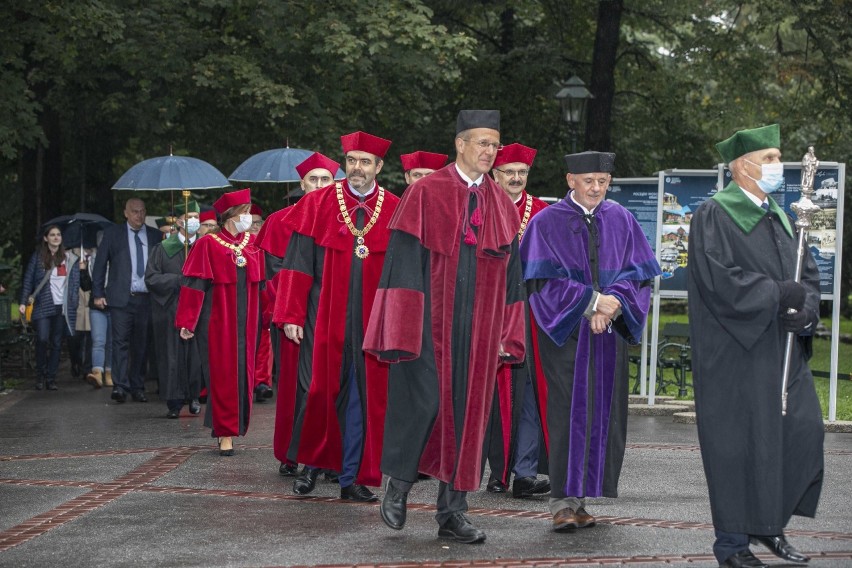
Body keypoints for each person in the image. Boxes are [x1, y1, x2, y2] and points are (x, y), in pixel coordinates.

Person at [364, 110, 526, 544]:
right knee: (425, 404)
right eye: (481, 143)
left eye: (494, 144)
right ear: (460, 144)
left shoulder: (500, 205)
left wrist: (508, 335)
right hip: (427, 326)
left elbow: (513, 280)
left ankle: (452, 512)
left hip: (479, 333)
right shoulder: (425, 192)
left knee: (470, 416)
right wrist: (400, 327)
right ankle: (397, 486)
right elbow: (400, 265)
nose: (489, 152)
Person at [687, 124, 823, 568]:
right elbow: (719, 281)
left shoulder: (782, 216)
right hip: (735, 352)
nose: (775, 166)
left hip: (781, 349)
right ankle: (732, 544)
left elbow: (807, 276)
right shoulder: (715, 214)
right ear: (741, 168)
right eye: (768, 158)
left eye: (777, 157)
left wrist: (806, 311)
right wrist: (775, 294)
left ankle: (769, 525)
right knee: (738, 445)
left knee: (797, 433)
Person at [520, 151, 660, 533]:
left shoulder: (622, 219)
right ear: (570, 180)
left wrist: (613, 303)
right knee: (567, 413)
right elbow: (540, 283)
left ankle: (583, 498)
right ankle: (563, 502)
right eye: (588, 181)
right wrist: (590, 302)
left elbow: (640, 276)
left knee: (602, 414)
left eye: (602, 180)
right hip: (566, 336)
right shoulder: (545, 223)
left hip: (608, 334)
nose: (596, 188)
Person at [272, 132, 399, 502]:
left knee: (363, 398)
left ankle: (352, 478)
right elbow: (296, 264)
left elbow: (404, 270)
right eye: (352, 160)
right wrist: (292, 312)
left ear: (378, 167)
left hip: (373, 319)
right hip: (322, 314)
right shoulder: (319, 202)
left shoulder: (394, 207)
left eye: (365, 162)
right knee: (319, 390)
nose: (357, 167)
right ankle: (311, 467)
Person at [255, 151, 341, 477]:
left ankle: (329, 456)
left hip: (331, 318)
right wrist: (294, 313)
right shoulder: (279, 220)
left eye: (326, 179)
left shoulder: (344, 219)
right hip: (293, 321)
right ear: (302, 184)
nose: (319, 185)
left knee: (333, 388)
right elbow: (274, 274)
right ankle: (292, 452)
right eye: (313, 180)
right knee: (294, 389)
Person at [483, 142, 550, 498]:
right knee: (491, 397)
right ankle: (496, 470)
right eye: (509, 172)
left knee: (526, 396)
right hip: (487, 312)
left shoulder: (542, 212)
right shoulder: (478, 205)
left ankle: (523, 472)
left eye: (521, 172)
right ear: (495, 174)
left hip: (530, 315)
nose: (516, 178)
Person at [176, 188, 264, 456]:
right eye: (245, 213)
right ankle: (225, 432)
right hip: (217, 321)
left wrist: (273, 314)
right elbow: (194, 286)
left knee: (244, 374)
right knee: (223, 374)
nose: (249, 218)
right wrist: (187, 321)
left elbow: (264, 284)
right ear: (231, 215)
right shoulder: (207, 244)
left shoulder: (253, 243)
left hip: (248, 320)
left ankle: (237, 425)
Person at [92, 197, 161, 404]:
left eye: (142, 211)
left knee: (141, 345)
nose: (139, 215)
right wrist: (98, 293)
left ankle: (137, 386)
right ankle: (120, 386)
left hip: (146, 298)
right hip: (121, 298)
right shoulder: (113, 234)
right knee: (120, 342)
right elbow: (100, 265)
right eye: (135, 211)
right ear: (126, 213)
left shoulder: (155, 236)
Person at [145, 200, 204, 419]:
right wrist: (178, 280)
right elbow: (151, 278)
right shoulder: (163, 248)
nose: (194, 222)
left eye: (197, 218)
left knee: (195, 355)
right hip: (170, 307)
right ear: (179, 221)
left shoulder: (204, 246)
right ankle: (173, 400)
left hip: (198, 308)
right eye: (189, 217)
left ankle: (194, 396)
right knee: (172, 355)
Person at [19, 225, 84, 390]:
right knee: (42, 339)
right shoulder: (38, 257)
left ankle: (51, 378)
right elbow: (28, 280)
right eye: (52, 235)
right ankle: (40, 375)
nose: (56, 237)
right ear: (46, 238)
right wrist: (22, 302)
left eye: (58, 235)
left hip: (62, 307)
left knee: (56, 342)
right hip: (43, 304)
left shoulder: (70, 259)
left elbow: (75, 285)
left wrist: (73, 302)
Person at [247, 203, 273, 403]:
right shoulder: (239, 244)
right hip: (245, 297)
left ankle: (262, 382)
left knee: (264, 341)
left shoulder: (267, 242)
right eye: (252, 223)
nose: (256, 227)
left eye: (259, 223)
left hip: (263, 295)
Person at [85, 235, 113, 389]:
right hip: (96, 306)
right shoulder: (90, 259)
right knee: (98, 340)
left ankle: (109, 373)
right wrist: (83, 271)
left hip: (114, 304)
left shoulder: (117, 258)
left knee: (111, 342)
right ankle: (97, 372)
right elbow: (85, 285)